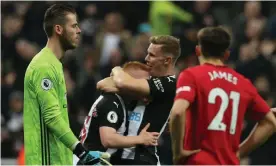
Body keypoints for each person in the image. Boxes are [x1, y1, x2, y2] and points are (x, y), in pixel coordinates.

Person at [169, 26, 276, 165]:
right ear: (226, 54)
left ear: (198, 50)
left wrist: (178, 152)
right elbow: (270, 122)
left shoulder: (191, 75)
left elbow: (177, 112)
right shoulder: (243, 83)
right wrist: (239, 153)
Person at [23, 4, 109, 165]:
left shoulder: (55, 64)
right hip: (45, 161)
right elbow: (52, 117)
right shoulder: (43, 66)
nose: (79, 30)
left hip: (58, 160)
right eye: (74, 25)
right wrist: (82, 152)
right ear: (59, 29)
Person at [97, 35, 180, 165]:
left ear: (167, 60)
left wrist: (117, 69)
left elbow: (120, 82)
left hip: (143, 159)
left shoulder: (169, 84)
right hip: (119, 158)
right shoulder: (147, 80)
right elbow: (102, 84)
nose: (146, 58)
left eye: (152, 55)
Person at [74, 61, 159, 165]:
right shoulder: (111, 102)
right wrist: (140, 139)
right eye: (143, 83)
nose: (146, 87)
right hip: (90, 161)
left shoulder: (120, 100)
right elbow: (108, 139)